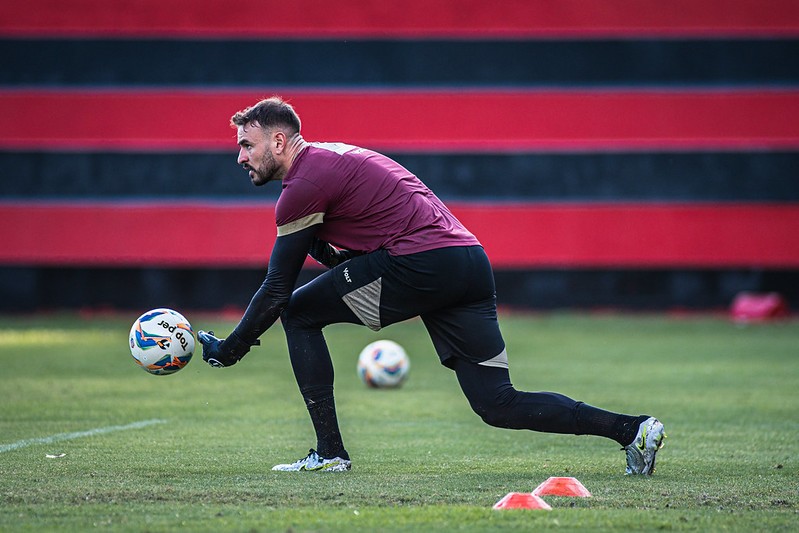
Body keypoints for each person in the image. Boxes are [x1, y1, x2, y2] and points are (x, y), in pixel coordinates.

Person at [198, 96, 666, 475]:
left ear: (279, 141)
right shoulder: (330, 159)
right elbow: (349, 242)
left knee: (299, 312)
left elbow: (277, 289)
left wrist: (231, 348)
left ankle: (330, 453)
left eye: (247, 145)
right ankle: (633, 430)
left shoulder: (303, 185)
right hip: (468, 262)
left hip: (420, 263)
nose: (240, 156)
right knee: (496, 404)